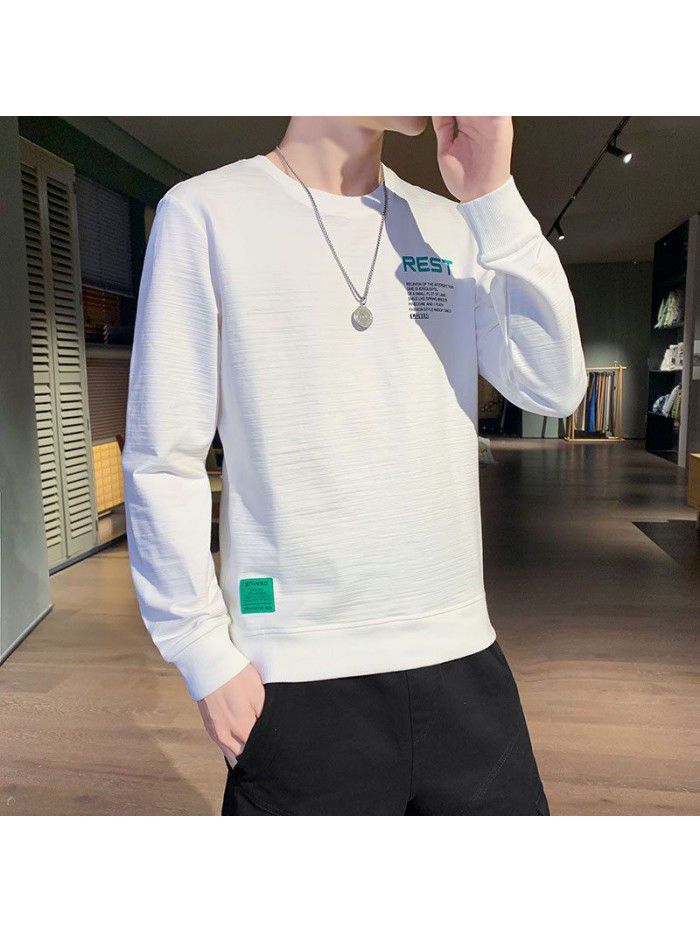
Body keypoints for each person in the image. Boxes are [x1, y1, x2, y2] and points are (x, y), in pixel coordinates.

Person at [122, 116, 587, 815]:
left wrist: (493, 197)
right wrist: (202, 652)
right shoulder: (206, 213)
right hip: (296, 672)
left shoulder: (451, 225)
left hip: (461, 653)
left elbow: (553, 387)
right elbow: (163, 457)